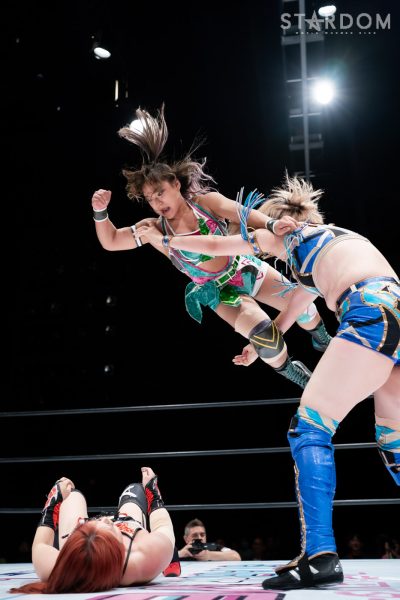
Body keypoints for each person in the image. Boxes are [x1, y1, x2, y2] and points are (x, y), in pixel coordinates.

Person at [137, 173, 400, 590]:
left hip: (368, 312)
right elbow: (296, 303)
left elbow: (214, 246)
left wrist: (163, 240)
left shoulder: (283, 236)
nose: (259, 245)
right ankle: (320, 554)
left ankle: (320, 556)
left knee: (309, 428)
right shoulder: (331, 239)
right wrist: (258, 346)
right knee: (393, 442)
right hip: (393, 309)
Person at [92, 106, 332, 391]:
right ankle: (296, 374)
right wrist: (100, 213)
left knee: (304, 307)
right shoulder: (154, 229)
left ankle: (323, 339)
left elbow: (243, 213)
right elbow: (111, 241)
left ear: (176, 184)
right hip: (218, 291)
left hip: (244, 267)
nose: (157, 202)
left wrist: (271, 224)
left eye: (160, 193)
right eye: (150, 199)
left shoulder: (206, 203)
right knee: (266, 339)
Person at [10, 467, 178, 593]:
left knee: (72, 495)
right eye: (109, 527)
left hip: (81, 538)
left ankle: (79, 527)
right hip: (129, 529)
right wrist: (152, 493)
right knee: (136, 490)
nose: (105, 518)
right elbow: (163, 526)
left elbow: (39, 546)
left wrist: (53, 502)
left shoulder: (61, 568)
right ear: (117, 547)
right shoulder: (145, 556)